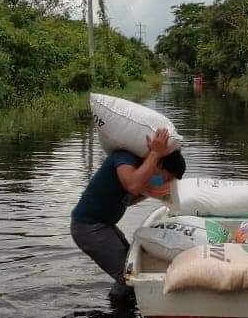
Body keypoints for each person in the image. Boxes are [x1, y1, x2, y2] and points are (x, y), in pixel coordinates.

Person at [71, 128, 186, 301]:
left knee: (129, 267)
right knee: (128, 277)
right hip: (89, 227)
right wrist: (155, 152)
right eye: (166, 177)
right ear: (159, 164)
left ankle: (120, 309)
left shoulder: (140, 171)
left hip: (104, 226)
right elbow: (132, 185)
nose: (165, 182)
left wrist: (151, 193)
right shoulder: (124, 158)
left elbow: (128, 198)